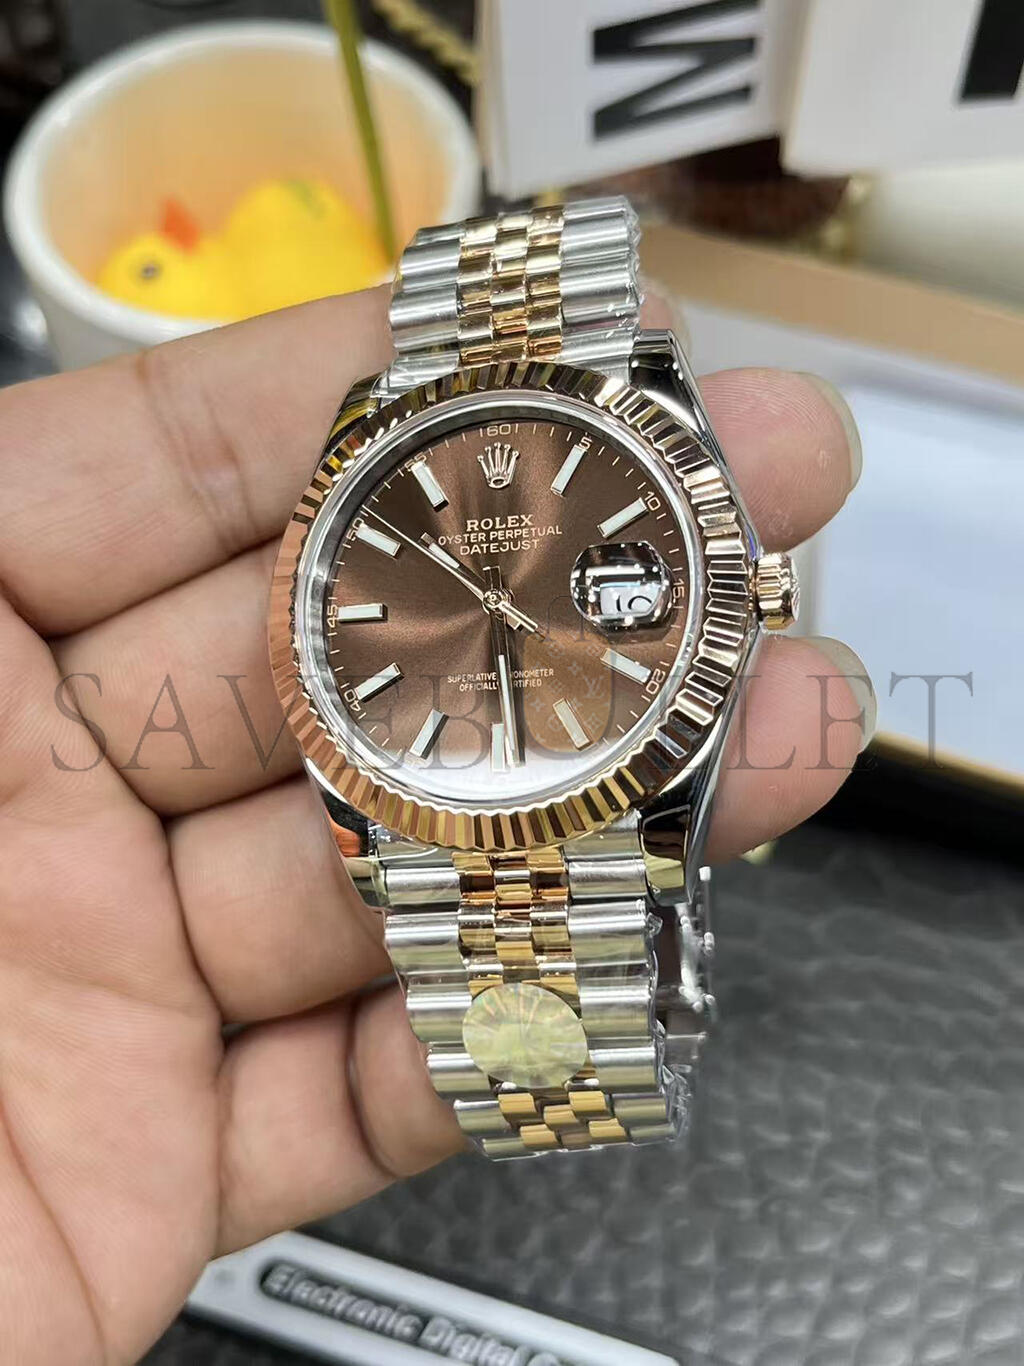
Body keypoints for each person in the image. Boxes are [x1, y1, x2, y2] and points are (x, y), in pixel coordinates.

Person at [0, 284, 872, 1364]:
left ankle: (598, 1050)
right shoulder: (337, 575)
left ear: (750, 590)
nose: (501, 604)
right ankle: (574, 1066)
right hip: (412, 779)